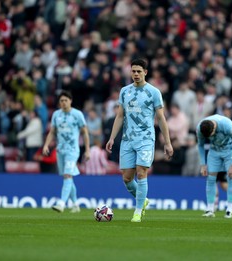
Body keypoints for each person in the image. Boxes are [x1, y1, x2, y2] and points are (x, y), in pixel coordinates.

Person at [105, 58, 173, 223]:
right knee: (127, 178)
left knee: (141, 172)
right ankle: (144, 200)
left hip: (146, 139)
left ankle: (137, 211)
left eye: (139, 71)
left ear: (145, 72)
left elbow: (161, 118)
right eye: (133, 71)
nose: (135, 74)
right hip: (128, 140)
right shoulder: (124, 91)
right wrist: (112, 137)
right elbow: (120, 115)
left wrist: (168, 142)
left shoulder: (154, 92)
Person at [43, 90, 90, 213]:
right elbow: (52, 132)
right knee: (68, 177)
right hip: (60, 150)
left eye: (66, 100)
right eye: (61, 101)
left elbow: (85, 133)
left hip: (73, 150)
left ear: (71, 101)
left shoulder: (77, 114)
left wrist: (88, 150)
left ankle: (61, 203)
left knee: (67, 175)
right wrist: (46, 145)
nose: (63, 103)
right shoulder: (56, 115)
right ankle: (75, 204)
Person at [197, 114, 232, 218]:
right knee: (210, 179)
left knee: (231, 177)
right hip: (214, 151)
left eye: (211, 135)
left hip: (230, 151)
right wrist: (203, 164)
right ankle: (210, 209)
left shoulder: (227, 126)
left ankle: (229, 209)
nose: (210, 137)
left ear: (214, 128)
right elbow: (200, 145)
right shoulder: (200, 128)